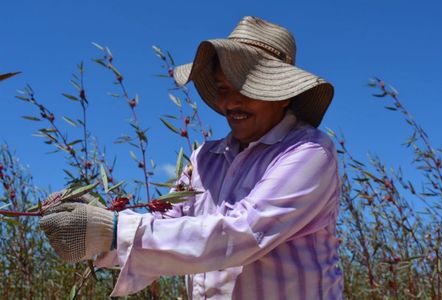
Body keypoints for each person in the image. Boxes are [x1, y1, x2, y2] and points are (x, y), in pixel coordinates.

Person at [40, 16, 343, 299]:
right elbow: (166, 224)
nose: (231, 101)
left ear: (284, 94)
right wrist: (100, 226)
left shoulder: (309, 153)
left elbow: (244, 234)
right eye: (224, 87)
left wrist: (111, 230)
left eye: (248, 87)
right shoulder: (205, 158)